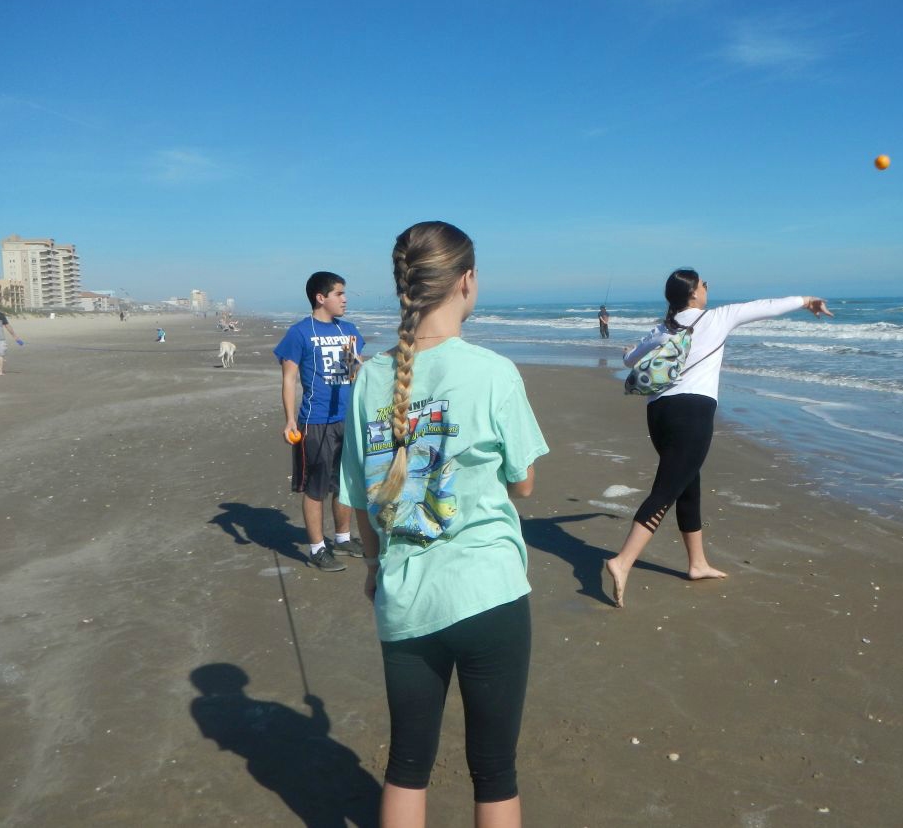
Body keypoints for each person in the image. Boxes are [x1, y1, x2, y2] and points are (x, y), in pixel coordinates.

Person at [341, 221, 548, 828]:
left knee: (407, 763)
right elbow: (524, 482)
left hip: (404, 596)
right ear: (467, 282)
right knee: (494, 771)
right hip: (490, 593)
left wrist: (375, 568)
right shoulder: (493, 372)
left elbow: (361, 500)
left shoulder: (370, 380)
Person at [604, 268, 833, 608]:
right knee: (667, 489)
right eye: (703, 284)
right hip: (692, 414)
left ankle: (697, 564)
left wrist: (629, 350)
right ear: (693, 294)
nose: (707, 288)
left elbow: (629, 359)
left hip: (659, 413)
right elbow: (766, 306)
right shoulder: (718, 318)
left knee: (687, 485)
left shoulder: (663, 328)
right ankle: (622, 561)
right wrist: (807, 300)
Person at [275, 271, 367, 572]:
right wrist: (290, 420)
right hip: (314, 422)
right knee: (316, 487)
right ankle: (316, 548)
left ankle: (342, 539)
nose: (344, 299)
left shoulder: (349, 330)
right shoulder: (299, 333)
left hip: (347, 419)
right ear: (320, 297)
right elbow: (289, 379)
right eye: (339, 293)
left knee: (346, 483)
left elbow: (357, 372)